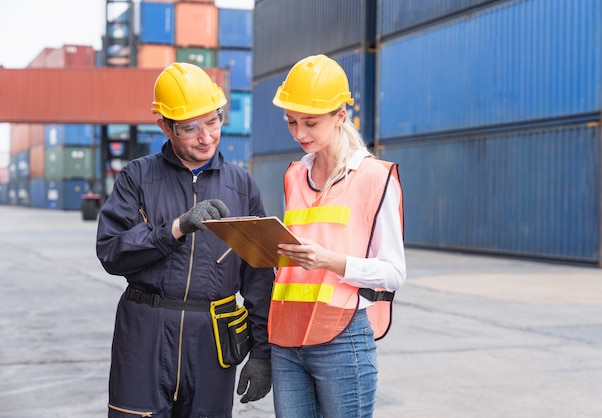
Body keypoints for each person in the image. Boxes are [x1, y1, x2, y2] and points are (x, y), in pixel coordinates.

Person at [96, 62, 274, 418]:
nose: (206, 137)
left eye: (213, 122)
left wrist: (262, 354)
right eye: (191, 128)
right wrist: (175, 228)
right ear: (165, 126)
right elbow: (112, 252)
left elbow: (259, 275)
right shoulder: (138, 177)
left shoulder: (242, 187)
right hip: (145, 336)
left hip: (212, 339)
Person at [269, 54, 406, 417]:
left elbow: (394, 273)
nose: (299, 133)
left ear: (340, 116)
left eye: (311, 123)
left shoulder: (375, 177)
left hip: (341, 338)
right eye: (292, 122)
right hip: (286, 335)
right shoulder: (293, 175)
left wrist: (330, 261)